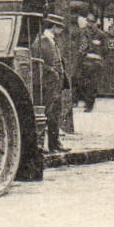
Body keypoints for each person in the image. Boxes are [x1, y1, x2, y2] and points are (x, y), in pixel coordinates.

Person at [29, 13, 70, 154]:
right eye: (59, 28)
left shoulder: (52, 41)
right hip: (46, 84)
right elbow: (36, 64)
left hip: (56, 84)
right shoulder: (40, 42)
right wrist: (51, 71)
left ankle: (55, 143)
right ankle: (39, 143)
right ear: (54, 27)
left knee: (55, 114)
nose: (61, 32)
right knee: (45, 113)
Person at [70, 1, 106, 113]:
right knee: (79, 80)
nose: (90, 24)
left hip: (95, 62)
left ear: (96, 23)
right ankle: (78, 100)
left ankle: (89, 104)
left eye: (92, 22)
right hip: (82, 61)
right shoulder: (81, 32)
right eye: (88, 21)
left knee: (91, 83)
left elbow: (105, 50)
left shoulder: (101, 35)